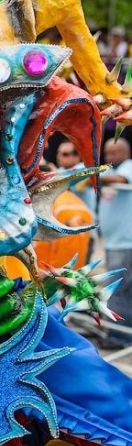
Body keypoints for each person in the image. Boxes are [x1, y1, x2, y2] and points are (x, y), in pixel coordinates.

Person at [98, 137, 132, 348]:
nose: (109, 157)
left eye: (114, 152)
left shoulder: (128, 167)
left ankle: (118, 338)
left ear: (125, 153)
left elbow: (122, 180)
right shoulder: (110, 172)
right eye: (106, 153)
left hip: (124, 243)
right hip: (114, 243)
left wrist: (94, 175)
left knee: (117, 289)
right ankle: (122, 334)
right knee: (122, 289)